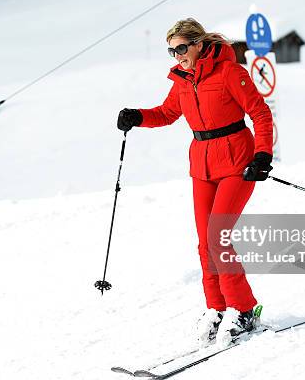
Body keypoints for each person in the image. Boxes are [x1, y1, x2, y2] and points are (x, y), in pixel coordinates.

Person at [117, 18, 273, 345]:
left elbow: (260, 113)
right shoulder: (183, 81)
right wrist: (138, 116)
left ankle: (244, 310)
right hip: (202, 165)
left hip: (237, 161)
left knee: (219, 236)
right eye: (171, 51)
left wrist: (263, 155)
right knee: (205, 242)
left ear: (199, 45)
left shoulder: (230, 72)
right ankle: (217, 308)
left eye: (182, 48)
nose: (177, 56)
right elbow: (166, 113)